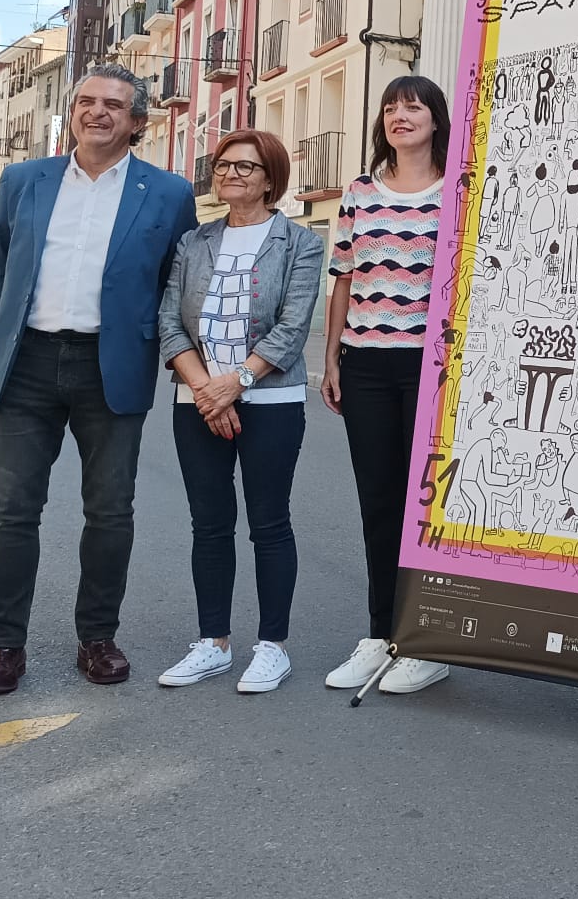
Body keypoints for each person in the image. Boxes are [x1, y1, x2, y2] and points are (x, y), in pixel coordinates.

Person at [0, 65, 197, 695]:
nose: (96, 112)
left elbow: (170, 286)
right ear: (71, 112)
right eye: (86, 102)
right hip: (28, 364)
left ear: (137, 122)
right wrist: (27, 324)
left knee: (109, 510)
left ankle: (97, 638)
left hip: (113, 365)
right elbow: (0, 270)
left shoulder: (169, 193)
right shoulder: (23, 181)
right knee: (13, 510)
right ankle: (3, 646)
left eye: (113, 105)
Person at [154, 130, 323, 694]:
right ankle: (213, 643)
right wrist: (206, 389)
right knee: (210, 523)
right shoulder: (193, 242)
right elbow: (169, 322)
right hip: (197, 399)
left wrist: (239, 382)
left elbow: (294, 326)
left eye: (245, 167)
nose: (230, 174)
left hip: (270, 400)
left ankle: (272, 646)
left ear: (270, 178)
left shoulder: (299, 242)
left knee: (269, 523)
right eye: (224, 165)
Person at [319, 76, 454, 695]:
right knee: (378, 502)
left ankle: (427, 641)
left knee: (426, 507)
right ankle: (380, 635)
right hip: (367, 364)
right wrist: (332, 360)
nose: (401, 116)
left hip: (433, 369)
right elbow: (343, 280)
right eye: (392, 107)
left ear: (436, 119)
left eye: (414, 106)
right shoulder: (358, 193)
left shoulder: (459, 188)